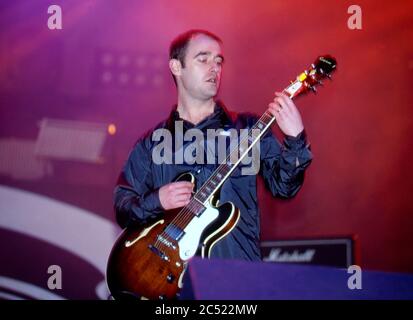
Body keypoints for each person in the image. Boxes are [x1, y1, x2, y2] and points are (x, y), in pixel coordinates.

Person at [114, 29, 312, 261]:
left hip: (234, 275)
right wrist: (158, 200)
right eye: (203, 59)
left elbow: (284, 187)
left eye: (219, 61)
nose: (214, 68)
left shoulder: (247, 128)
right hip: (166, 279)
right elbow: (123, 208)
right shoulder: (151, 143)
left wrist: (296, 140)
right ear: (176, 67)